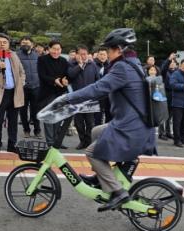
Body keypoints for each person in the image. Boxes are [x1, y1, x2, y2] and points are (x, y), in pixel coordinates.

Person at [47, 28, 156, 211]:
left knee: (91, 153)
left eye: (110, 49)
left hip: (131, 127)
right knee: (95, 131)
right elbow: (110, 90)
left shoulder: (122, 67)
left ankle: (118, 192)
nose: (106, 52)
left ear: (120, 49)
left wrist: (68, 98)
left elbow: (98, 87)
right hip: (137, 123)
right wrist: (85, 99)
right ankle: (101, 175)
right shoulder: (134, 63)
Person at [0, 33, 26, 154]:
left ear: (8, 44)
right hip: (0, 93)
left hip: (14, 92)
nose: (2, 44)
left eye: (4, 42)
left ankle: (12, 144)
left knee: (13, 121)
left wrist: (21, 82)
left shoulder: (13, 55)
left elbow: (21, 71)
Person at [37, 40, 70, 149]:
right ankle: (50, 142)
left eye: (58, 49)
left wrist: (66, 80)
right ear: (49, 49)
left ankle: (57, 141)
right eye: (54, 49)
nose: (56, 51)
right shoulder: (42, 59)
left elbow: (67, 75)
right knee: (49, 117)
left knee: (59, 118)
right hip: (47, 93)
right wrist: (54, 80)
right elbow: (42, 75)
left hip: (60, 93)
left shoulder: (64, 61)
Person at [68, 44, 99, 150]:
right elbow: (70, 75)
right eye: (81, 54)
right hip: (77, 98)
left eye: (85, 54)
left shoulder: (92, 65)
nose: (83, 56)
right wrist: (79, 66)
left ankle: (88, 141)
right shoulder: (71, 64)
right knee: (79, 123)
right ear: (76, 55)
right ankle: (82, 141)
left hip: (90, 98)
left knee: (90, 122)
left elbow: (97, 80)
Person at [17, 36, 41, 139]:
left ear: (32, 44)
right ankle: (26, 130)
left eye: (27, 43)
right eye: (23, 43)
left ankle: (37, 130)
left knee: (36, 110)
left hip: (36, 86)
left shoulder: (38, 55)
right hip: (22, 87)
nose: (25, 45)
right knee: (23, 111)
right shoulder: (15, 55)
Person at [159, 54, 178, 140]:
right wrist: (169, 59)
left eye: (174, 62)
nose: (172, 63)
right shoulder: (165, 72)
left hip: (173, 95)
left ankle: (168, 132)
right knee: (163, 115)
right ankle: (161, 133)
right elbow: (163, 68)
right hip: (165, 94)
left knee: (169, 116)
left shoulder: (177, 72)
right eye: (171, 62)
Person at [93, 47, 110, 126]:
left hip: (108, 95)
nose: (102, 56)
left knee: (109, 116)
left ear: (107, 55)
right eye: (101, 54)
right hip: (96, 94)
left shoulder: (110, 65)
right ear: (97, 55)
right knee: (97, 117)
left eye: (104, 54)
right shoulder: (93, 65)